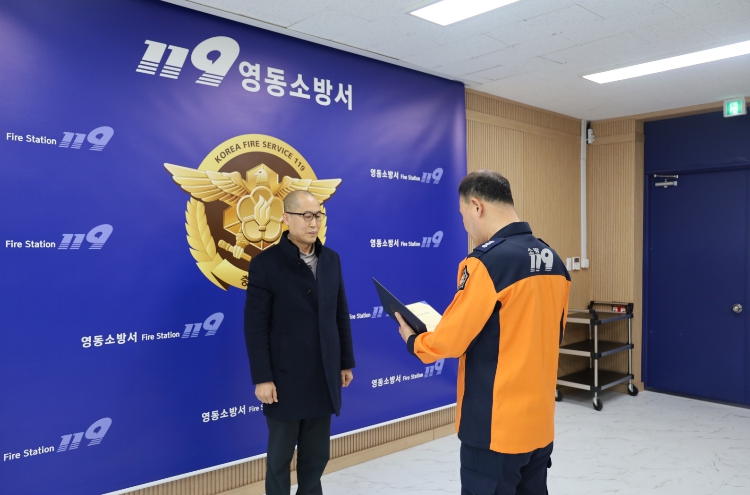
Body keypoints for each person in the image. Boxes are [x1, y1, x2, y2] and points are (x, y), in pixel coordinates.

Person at [395, 170, 570, 495]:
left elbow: (450, 341)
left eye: (463, 215)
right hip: (540, 424)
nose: (465, 225)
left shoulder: (486, 263)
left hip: (496, 429)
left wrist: (413, 340)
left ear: (477, 206)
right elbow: (553, 334)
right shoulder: (554, 261)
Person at [244, 190, 355, 495]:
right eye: (306, 216)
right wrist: (263, 377)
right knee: (279, 459)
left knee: (316, 456)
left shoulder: (331, 260)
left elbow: (340, 314)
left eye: (318, 215)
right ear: (286, 218)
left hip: (323, 374)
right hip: (284, 378)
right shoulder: (266, 264)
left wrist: (345, 362)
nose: (313, 223)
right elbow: (255, 327)